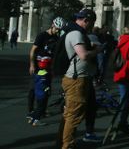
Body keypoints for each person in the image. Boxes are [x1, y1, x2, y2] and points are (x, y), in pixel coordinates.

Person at [59, 9, 103, 149]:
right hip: (76, 80)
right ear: (86, 20)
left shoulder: (73, 31)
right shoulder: (76, 34)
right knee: (74, 115)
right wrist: (97, 50)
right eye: (91, 23)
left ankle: (63, 142)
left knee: (70, 114)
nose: (90, 27)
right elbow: (83, 55)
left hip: (78, 78)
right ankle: (67, 145)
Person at [27, 17, 63, 126]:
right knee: (35, 89)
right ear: (52, 25)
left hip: (47, 67)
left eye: (59, 29)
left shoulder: (56, 38)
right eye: (56, 28)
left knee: (45, 90)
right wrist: (32, 64)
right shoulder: (42, 35)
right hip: (38, 66)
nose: (57, 31)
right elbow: (33, 50)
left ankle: (39, 112)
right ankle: (33, 112)